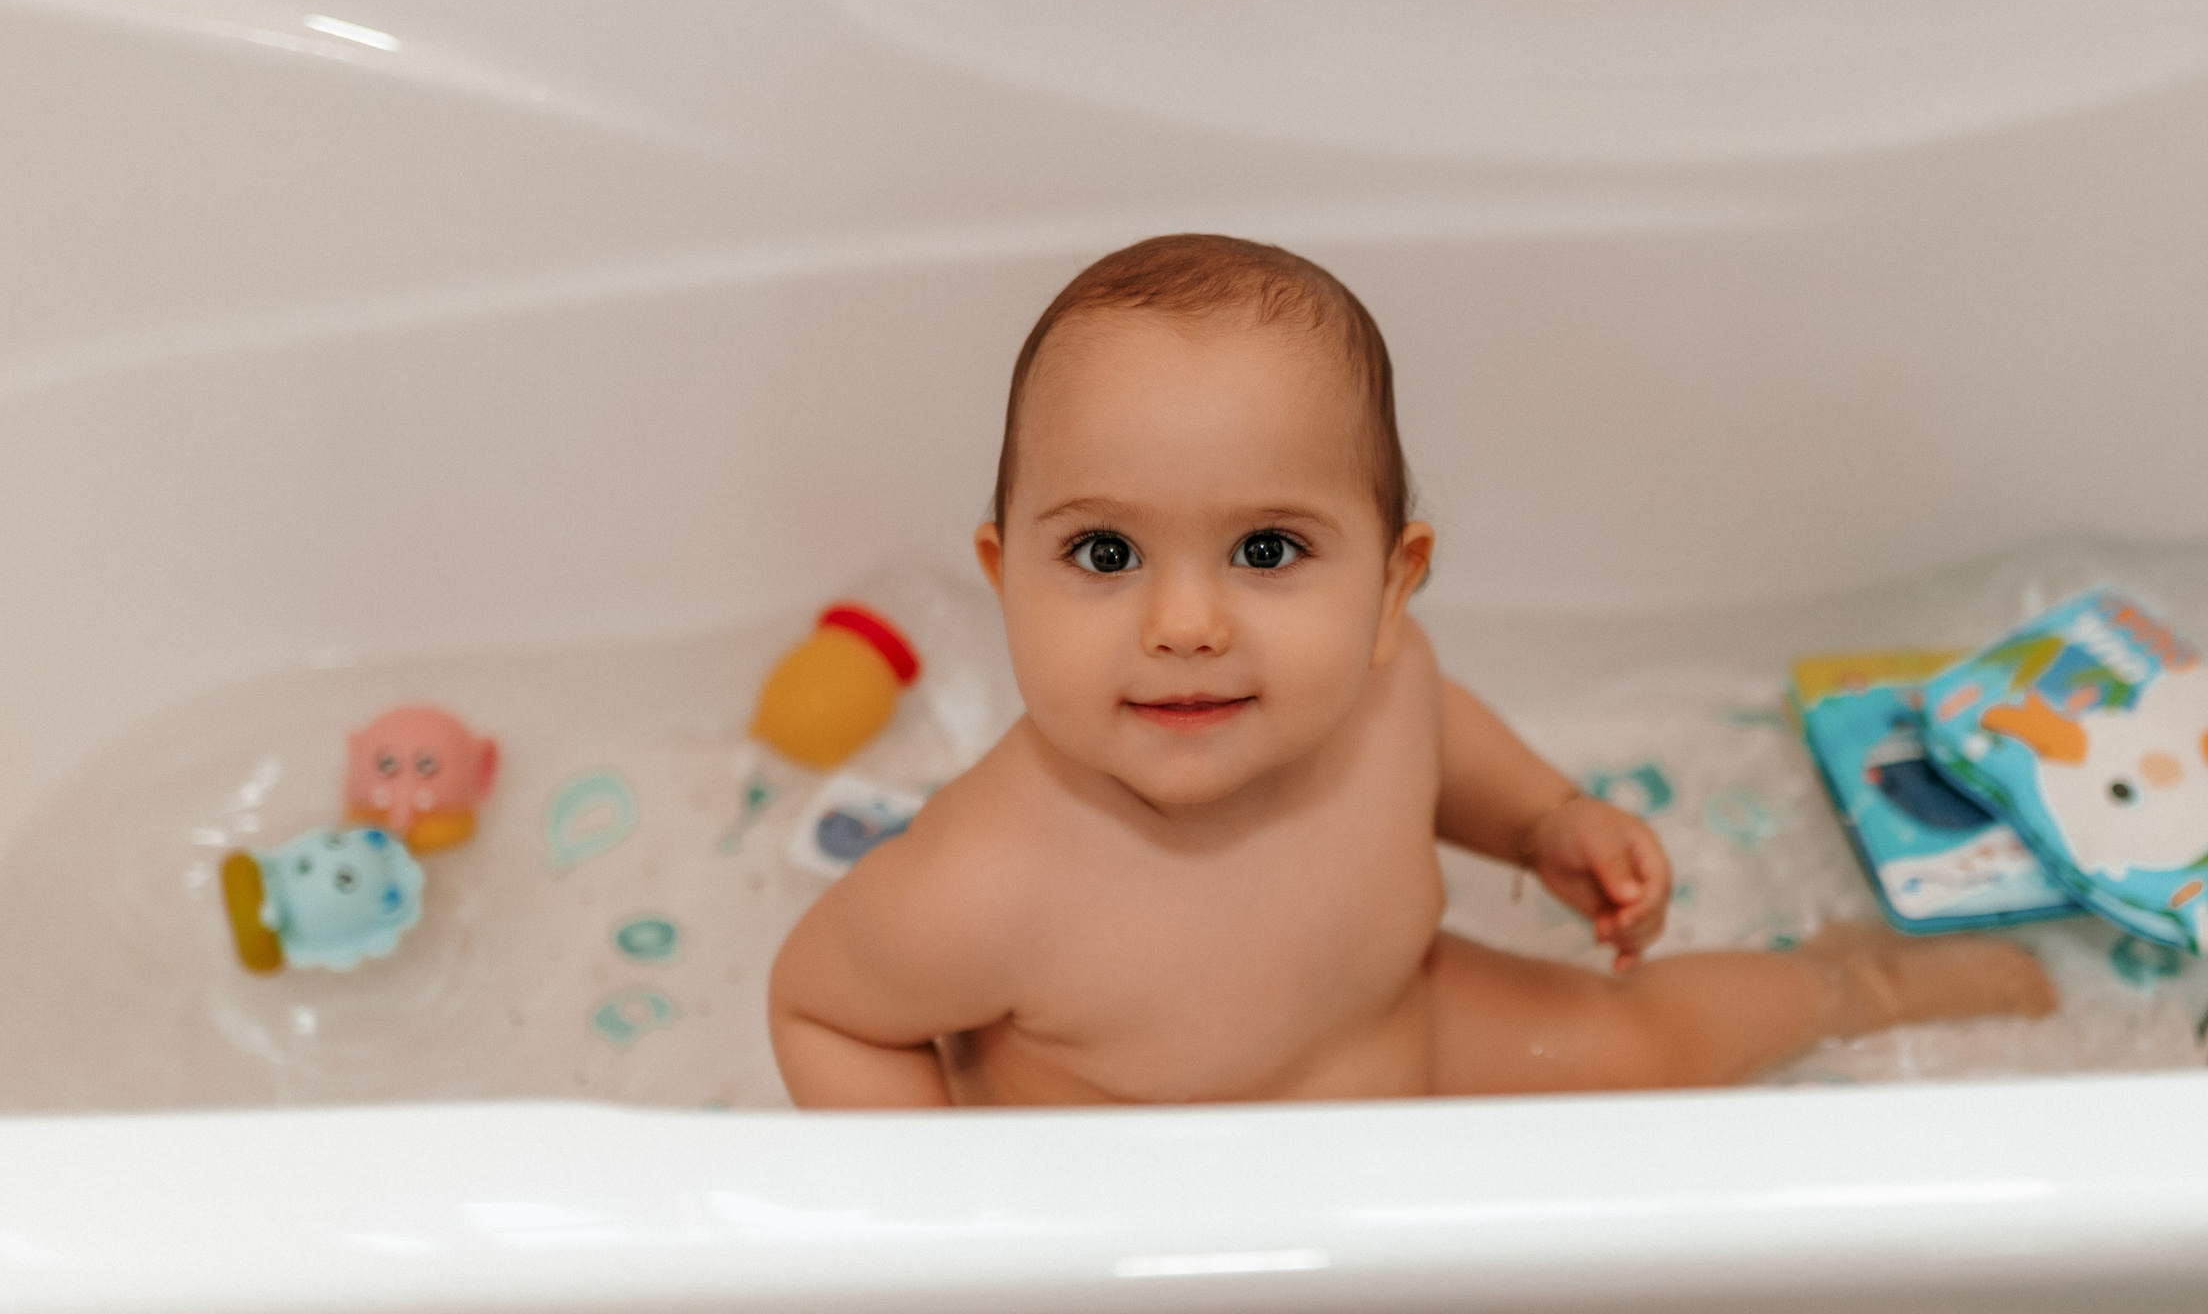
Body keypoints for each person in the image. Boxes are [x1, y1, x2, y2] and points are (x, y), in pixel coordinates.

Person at [770, 235, 2054, 1108]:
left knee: (1647, 1045)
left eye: (1267, 548)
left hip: (1406, 1030)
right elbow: (823, 1008)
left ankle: (1853, 978)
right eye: (1103, 550)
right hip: (1146, 1202)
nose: (1183, 620)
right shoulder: (982, 884)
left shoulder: (1383, 692)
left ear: (1392, 586)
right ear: (1004, 577)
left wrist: (1547, 815)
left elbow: (1437, 730)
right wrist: (942, 1211)